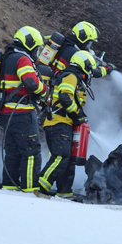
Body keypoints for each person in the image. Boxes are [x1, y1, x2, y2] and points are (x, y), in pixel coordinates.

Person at [38, 50, 97, 198]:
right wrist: (77, 115)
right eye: (89, 69)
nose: (89, 73)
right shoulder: (70, 76)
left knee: (68, 159)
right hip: (58, 122)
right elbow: (65, 98)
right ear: (84, 65)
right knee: (61, 155)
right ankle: (40, 188)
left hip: (64, 123)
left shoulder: (74, 77)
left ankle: (65, 192)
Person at [0, 26, 48, 191]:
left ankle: (9, 187)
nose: (37, 51)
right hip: (22, 113)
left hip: (7, 113)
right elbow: (30, 82)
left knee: (13, 152)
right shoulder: (22, 58)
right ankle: (30, 190)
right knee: (31, 152)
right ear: (30, 44)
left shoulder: (8, 57)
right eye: (36, 47)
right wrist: (45, 91)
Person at [50, 21, 115, 79]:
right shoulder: (75, 53)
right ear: (83, 38)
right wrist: (108, 69)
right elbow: (92, 72)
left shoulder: (65, 43)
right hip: (57, 85)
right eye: (89, 43)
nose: (89, 46)